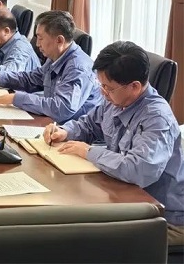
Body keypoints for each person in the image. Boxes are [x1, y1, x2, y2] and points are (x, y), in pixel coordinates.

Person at [44, 41, 183, 245]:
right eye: (101, 85)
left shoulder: (157, 118)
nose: (103, 93)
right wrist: (65, 131)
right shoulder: (117, 99)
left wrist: (89, 151)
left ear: (134, 86)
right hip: (125, 199)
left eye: (108, 88)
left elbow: (138, 169)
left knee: (86, 240)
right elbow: (90, 124)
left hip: (164, 220)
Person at [0, 10, 100, 123]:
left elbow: (62, 108)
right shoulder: (55, 57)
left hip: (73, 132)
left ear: (59, 40)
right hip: (52, 123)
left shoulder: (78, 68)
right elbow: (31, 79)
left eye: (40, 38)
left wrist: (17, 98)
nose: (37, 44)